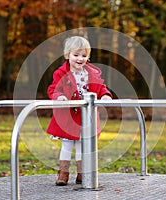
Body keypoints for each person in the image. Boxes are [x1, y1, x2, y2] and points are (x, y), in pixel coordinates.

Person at [47, 36, 112, 186]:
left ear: (88, 57)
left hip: (86, 117)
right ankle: (63, 173)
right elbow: (53, 89)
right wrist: (59, 96)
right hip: (68, 116)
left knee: (82, 146)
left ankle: (82, 173)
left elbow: (101, 87)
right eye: (76, 55)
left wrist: (105, 95)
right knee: (67, 146)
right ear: (67, 55)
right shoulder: (61, 73)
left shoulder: (92, 73)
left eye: (84, 55)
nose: (80, 59)